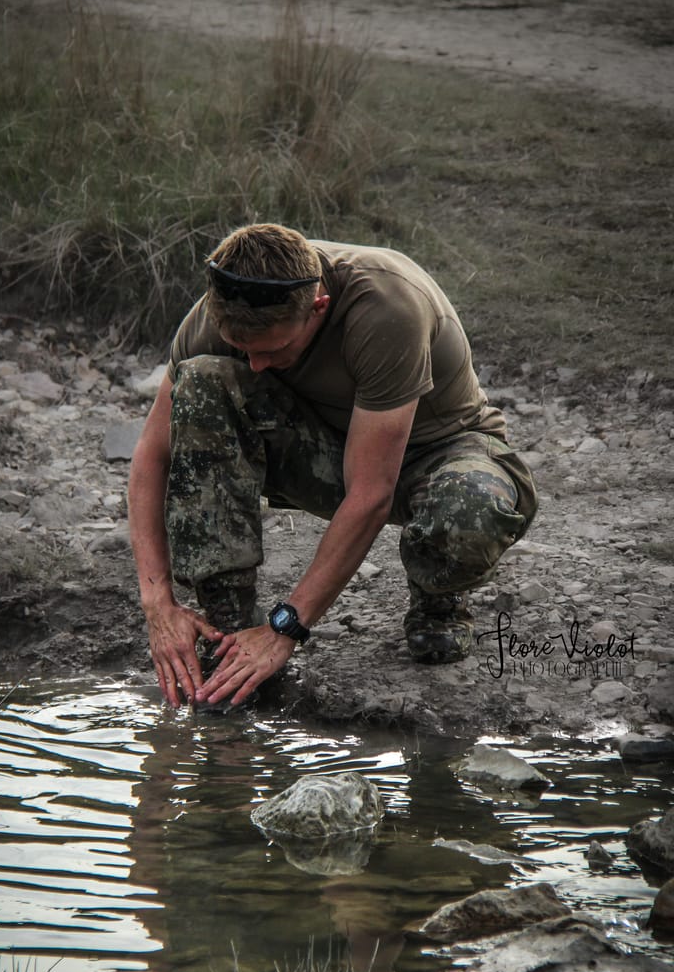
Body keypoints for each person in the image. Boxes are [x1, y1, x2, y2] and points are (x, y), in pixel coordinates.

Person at [128, 223, 538, 710]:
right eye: (242, 349)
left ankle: (437, 595)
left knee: (468, 512)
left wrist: (286, 628)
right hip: (323, 448)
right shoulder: (214, 315)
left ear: (318, 307)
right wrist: (158, 604)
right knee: (199, 385)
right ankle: (230, 629)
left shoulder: (385, 306)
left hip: (438, 455)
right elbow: (152, 457)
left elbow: (370, 494)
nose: (255, 365)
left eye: (273, 351)